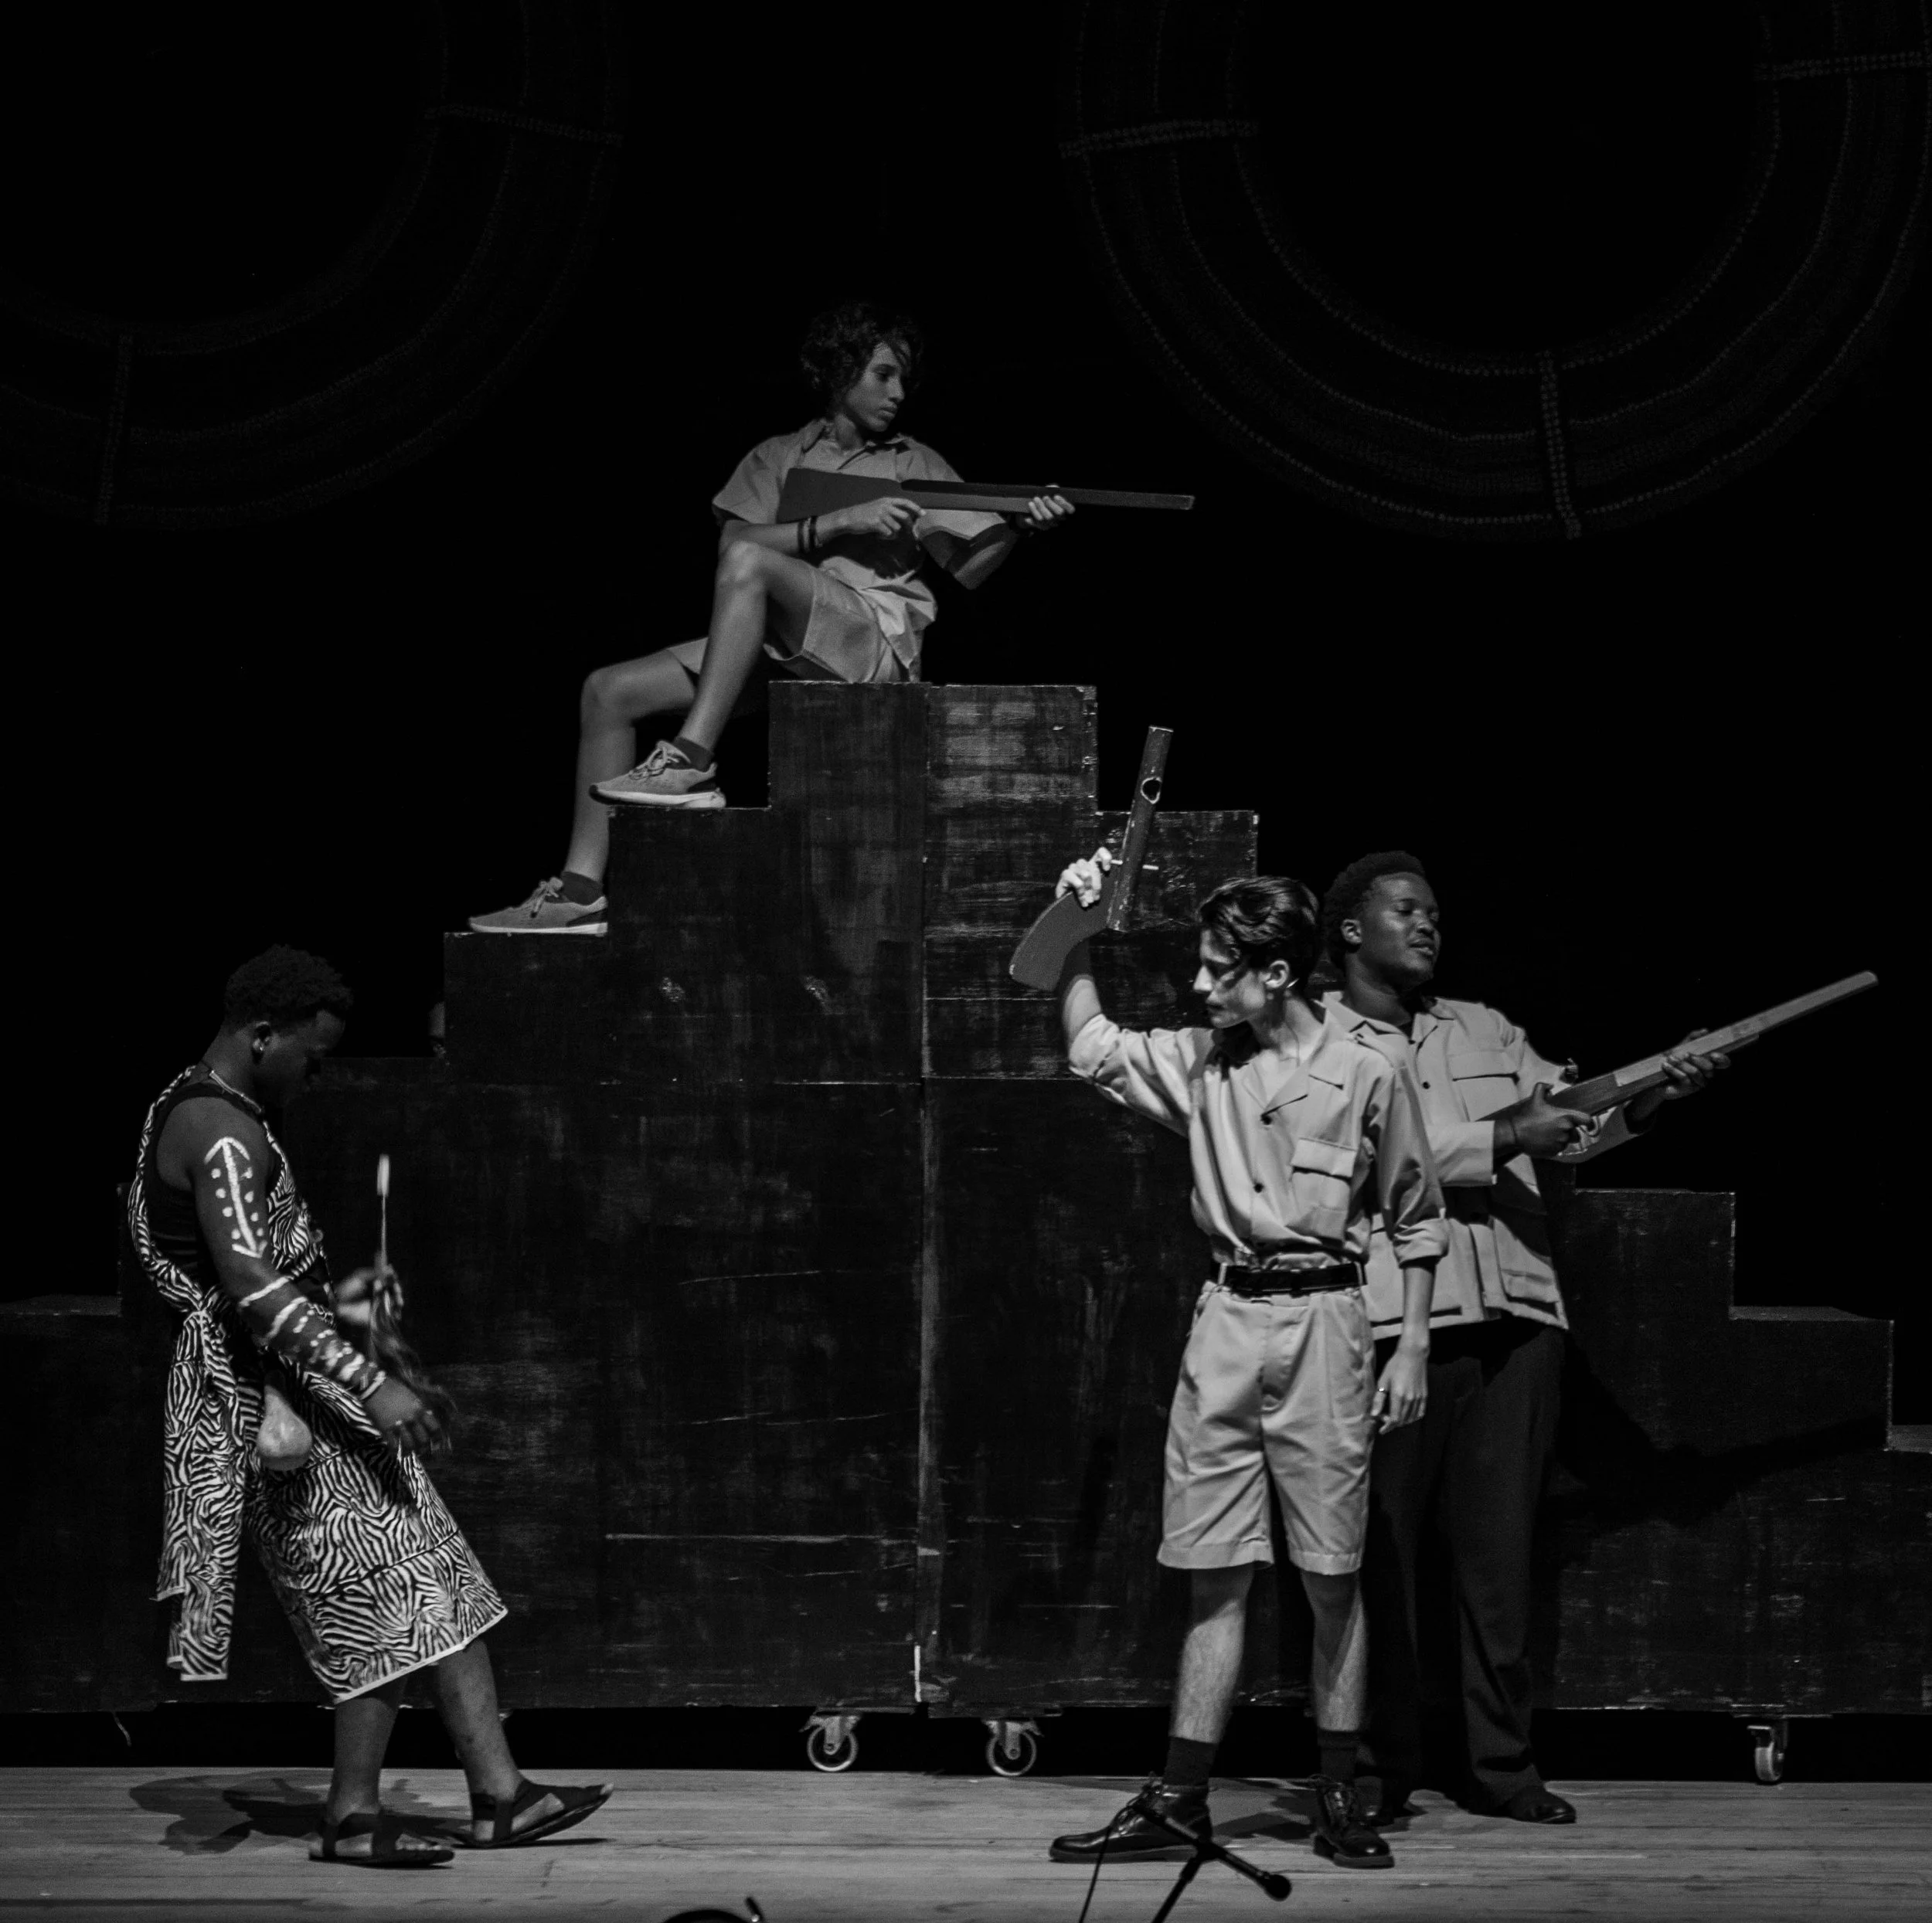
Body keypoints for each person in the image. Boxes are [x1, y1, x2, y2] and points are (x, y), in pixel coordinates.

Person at [127, 946, 611, 1868]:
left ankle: (501, 1794)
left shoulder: (211, 1112)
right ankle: (351, 1816)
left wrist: (354, 1348)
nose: (314, 1074)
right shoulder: (218, 1129)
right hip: (271, 1401)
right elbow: (249, 1285)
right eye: (308, 1055)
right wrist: (366, 1378)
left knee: (436, 1573)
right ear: (261, 1033)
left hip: (305, 1386)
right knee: (373, 1596)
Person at [1044, 856, 1447, 1872]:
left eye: (1217, 968)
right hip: (1226, 1322)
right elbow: (1090, 1043)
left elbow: (1416, 1213)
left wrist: (1412, 1342)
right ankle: (1180, 1799)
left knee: (1331, 1577)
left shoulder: (1368, 1066)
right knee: (1212, 1575)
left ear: (1275, 974)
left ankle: (1340, 1795)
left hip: (1328, 1327)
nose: (1197, 985)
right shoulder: (1201, 1064)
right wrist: (1075, 927)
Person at [1320, 851, 1727, 1826]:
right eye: (1405, 909)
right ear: (1350, 930)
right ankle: (1372, 1772)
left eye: (1434, 911)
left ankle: (1500, 1767)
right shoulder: (1314, 1040)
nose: (1428, 924)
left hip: (1515, 1323)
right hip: (1388, 1328)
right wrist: (1502, 1136)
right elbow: (1356, 1159)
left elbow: (1573, 1124)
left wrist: (1655, 1091)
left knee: (1498, 1565)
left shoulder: (1486, 1026)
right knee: (1376, 1560)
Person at [468, 300, 1072, 934]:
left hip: (869, 649)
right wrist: (839, 523)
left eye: (903, 379)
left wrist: (1023, 530)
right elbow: (733, 545)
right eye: (883, 374)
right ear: (840, 371)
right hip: (785, 648)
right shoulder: (778, 455)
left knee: (752, 563)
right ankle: (579, 892)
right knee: (608, 691)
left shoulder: (910, 460)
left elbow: (971, 568)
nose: (898, 393)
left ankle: (691, 758)